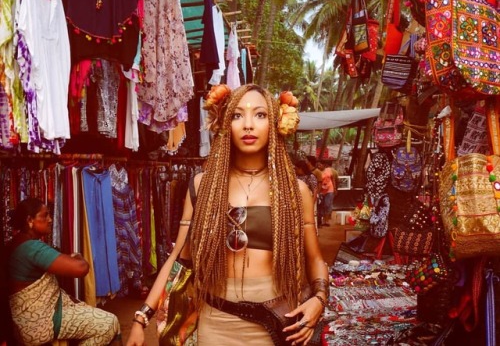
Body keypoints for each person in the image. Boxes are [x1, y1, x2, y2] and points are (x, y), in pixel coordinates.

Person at [126, 84, 329, 345]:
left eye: (260, 115)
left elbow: (314, 258)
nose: (248, 125)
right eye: (237, 115)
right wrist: (141, 317)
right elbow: (178, 259)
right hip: (216, 320)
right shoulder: (203, 186)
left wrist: (319, 300)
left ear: (276, 123)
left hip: (275, 321)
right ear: (224, 123)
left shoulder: (295, 191)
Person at [5, 197, 121, 346]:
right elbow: (81, 269)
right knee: (110, 324)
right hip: (39, 322)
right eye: (44, 215)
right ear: (30, 220)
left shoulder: (18, 242)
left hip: (29, 321)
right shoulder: (31, 249)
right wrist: (79, 258)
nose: (50, 219)